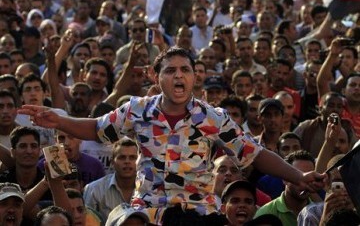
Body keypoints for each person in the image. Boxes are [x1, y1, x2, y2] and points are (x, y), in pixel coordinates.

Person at [19, 47, 325, 225]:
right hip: (148, 211)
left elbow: (255, 154)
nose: (178, 75)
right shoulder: (137, 110)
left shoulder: (213, 116)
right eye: (170, 70)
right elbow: (96, 128)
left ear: (194, 76)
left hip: (199, 213)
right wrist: (57, 121)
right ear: (156, 76)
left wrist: (298, 177)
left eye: (185, 69)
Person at [83, 138, 138, 220]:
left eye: (132, 157)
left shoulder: (150, 189)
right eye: (122, 157)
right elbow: (87, 222)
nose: (127, 161)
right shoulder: (94, 190)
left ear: (140, 161)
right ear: (112, 162)